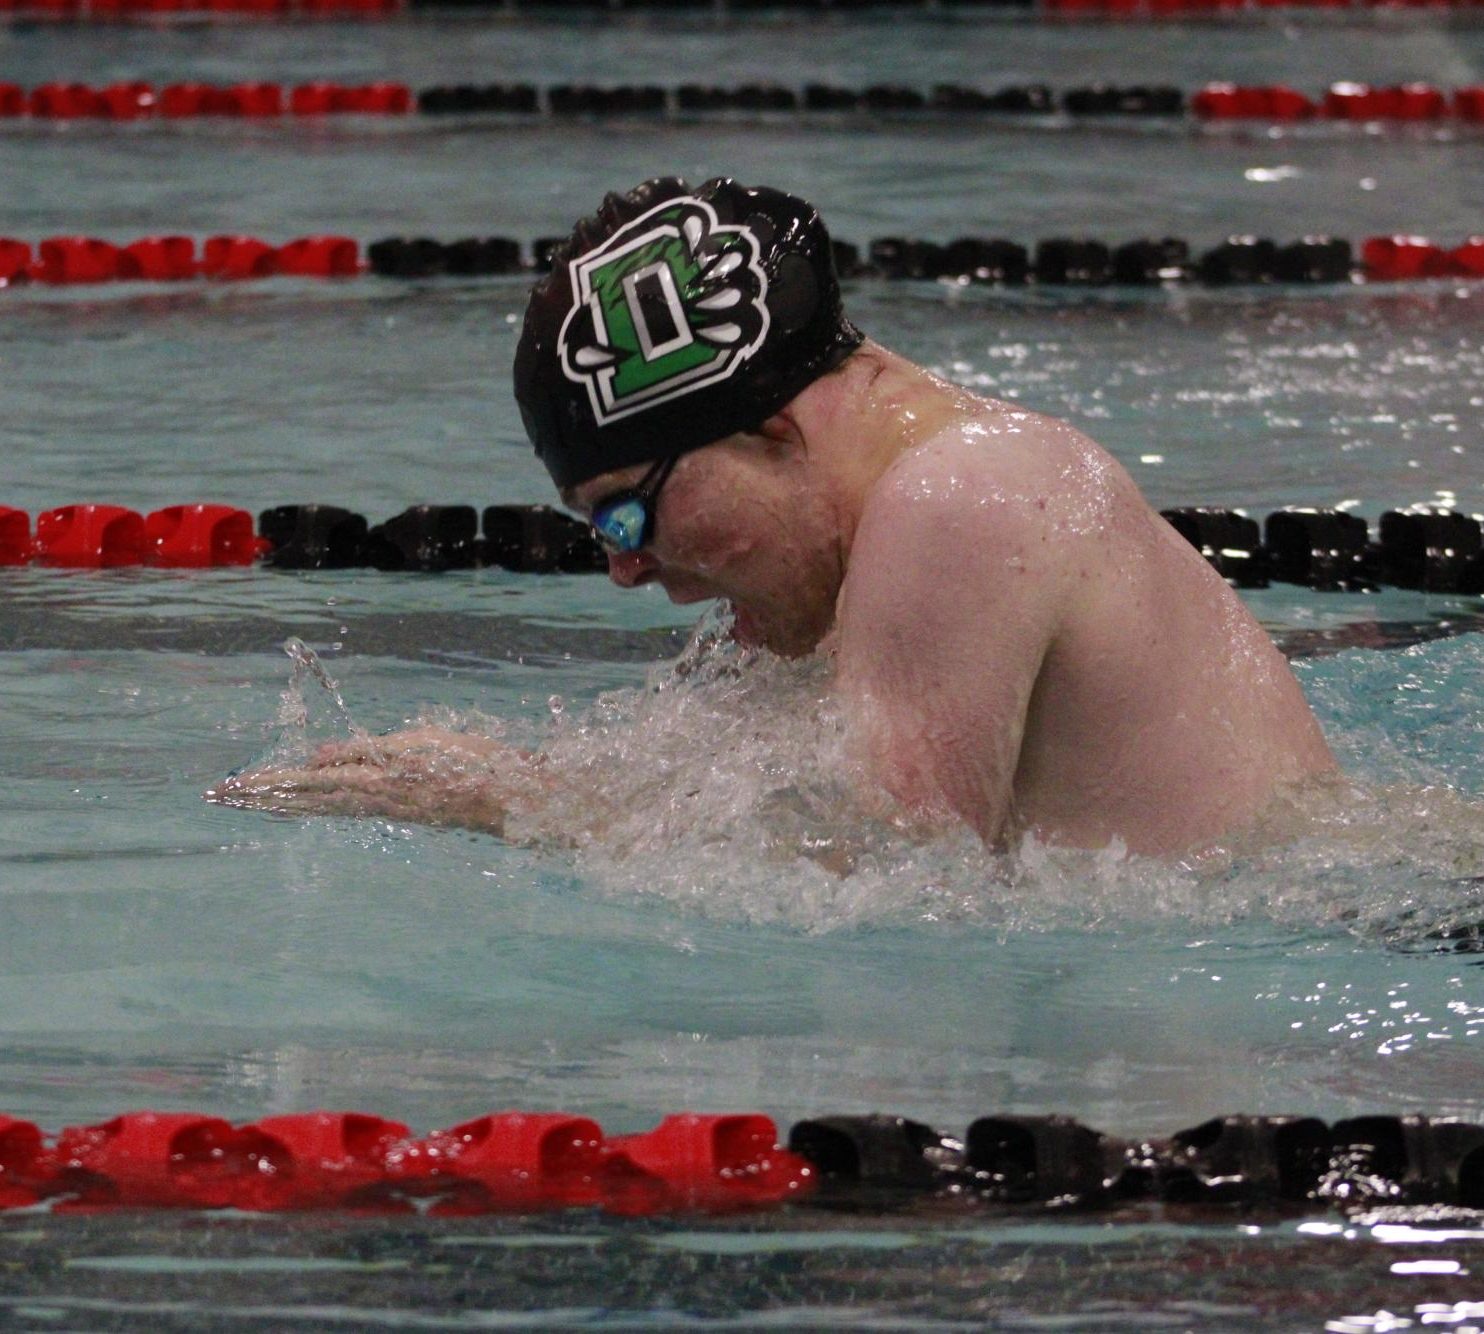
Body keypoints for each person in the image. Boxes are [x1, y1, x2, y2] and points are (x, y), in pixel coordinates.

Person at [212, 176, 1336, 857]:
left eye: (627, 514)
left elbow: (900, 881)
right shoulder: (879, 528)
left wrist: (511, 800)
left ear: (770, 430)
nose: (624, 569)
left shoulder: (964, 500)